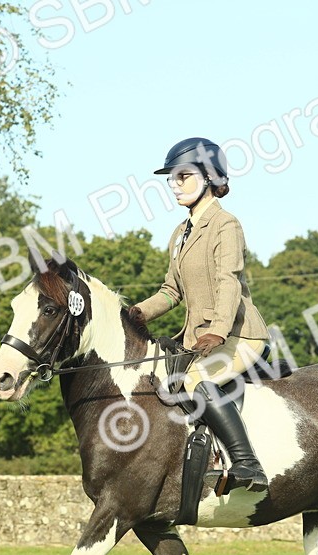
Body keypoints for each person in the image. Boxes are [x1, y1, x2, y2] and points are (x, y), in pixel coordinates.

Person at [129, 137, 271, 492]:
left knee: (194, 381)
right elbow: (171, 291)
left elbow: (228, 281)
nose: (174, 185)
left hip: (239, 336)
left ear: (208, 176)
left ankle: (248, 465)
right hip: (198, 340)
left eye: (183, 176)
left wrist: (218, 330)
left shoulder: (225, 224)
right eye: (172, 179)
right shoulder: (180, 233)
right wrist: (136, 313)